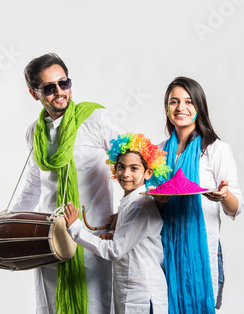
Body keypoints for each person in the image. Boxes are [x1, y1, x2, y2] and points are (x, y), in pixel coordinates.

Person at [10, 53, 122, 314]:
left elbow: (137, 163)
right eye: (49, 88)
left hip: (91, 235)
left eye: (64, 83)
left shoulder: (95, 120)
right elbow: (33, 186)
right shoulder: (34, 132)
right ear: (34, 93)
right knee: (53, 306)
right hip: (50, 238)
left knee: (94, 306)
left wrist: (126, 211)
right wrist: (9, 221)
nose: (59, 92)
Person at [155, 77, 244, 312]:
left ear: (199, 107)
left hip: (203, 252)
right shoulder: (159, 151)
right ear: (166, 108)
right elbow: (152, 206)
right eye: (174, 102)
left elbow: (235, 207)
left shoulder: (216, 150)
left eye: (189, 101)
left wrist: (224, 196)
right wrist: (158, 200)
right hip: (164, 251)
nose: (180, 108)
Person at [64, 133, 170, 314]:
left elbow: (114, 251)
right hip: (131, 295)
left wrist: (77, 231)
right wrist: (114, 235)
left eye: (134, 168)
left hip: (143, 299)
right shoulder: (131, 200)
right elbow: (132, 239)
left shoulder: (140, 205)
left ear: (148, 173)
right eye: (121, 167)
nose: (126, 174)